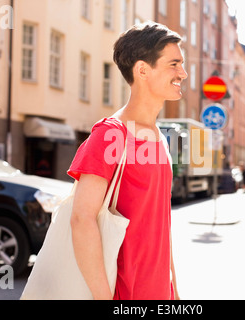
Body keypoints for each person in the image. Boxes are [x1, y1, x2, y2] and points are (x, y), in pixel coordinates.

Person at [67, 22, 187, 300]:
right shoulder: (110, 134)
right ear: (143, 70)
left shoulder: (158, 136)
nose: (183, 73)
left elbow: (160, 224)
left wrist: (174, 290)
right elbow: (81, 219)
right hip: (125, 294)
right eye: (174, 64)